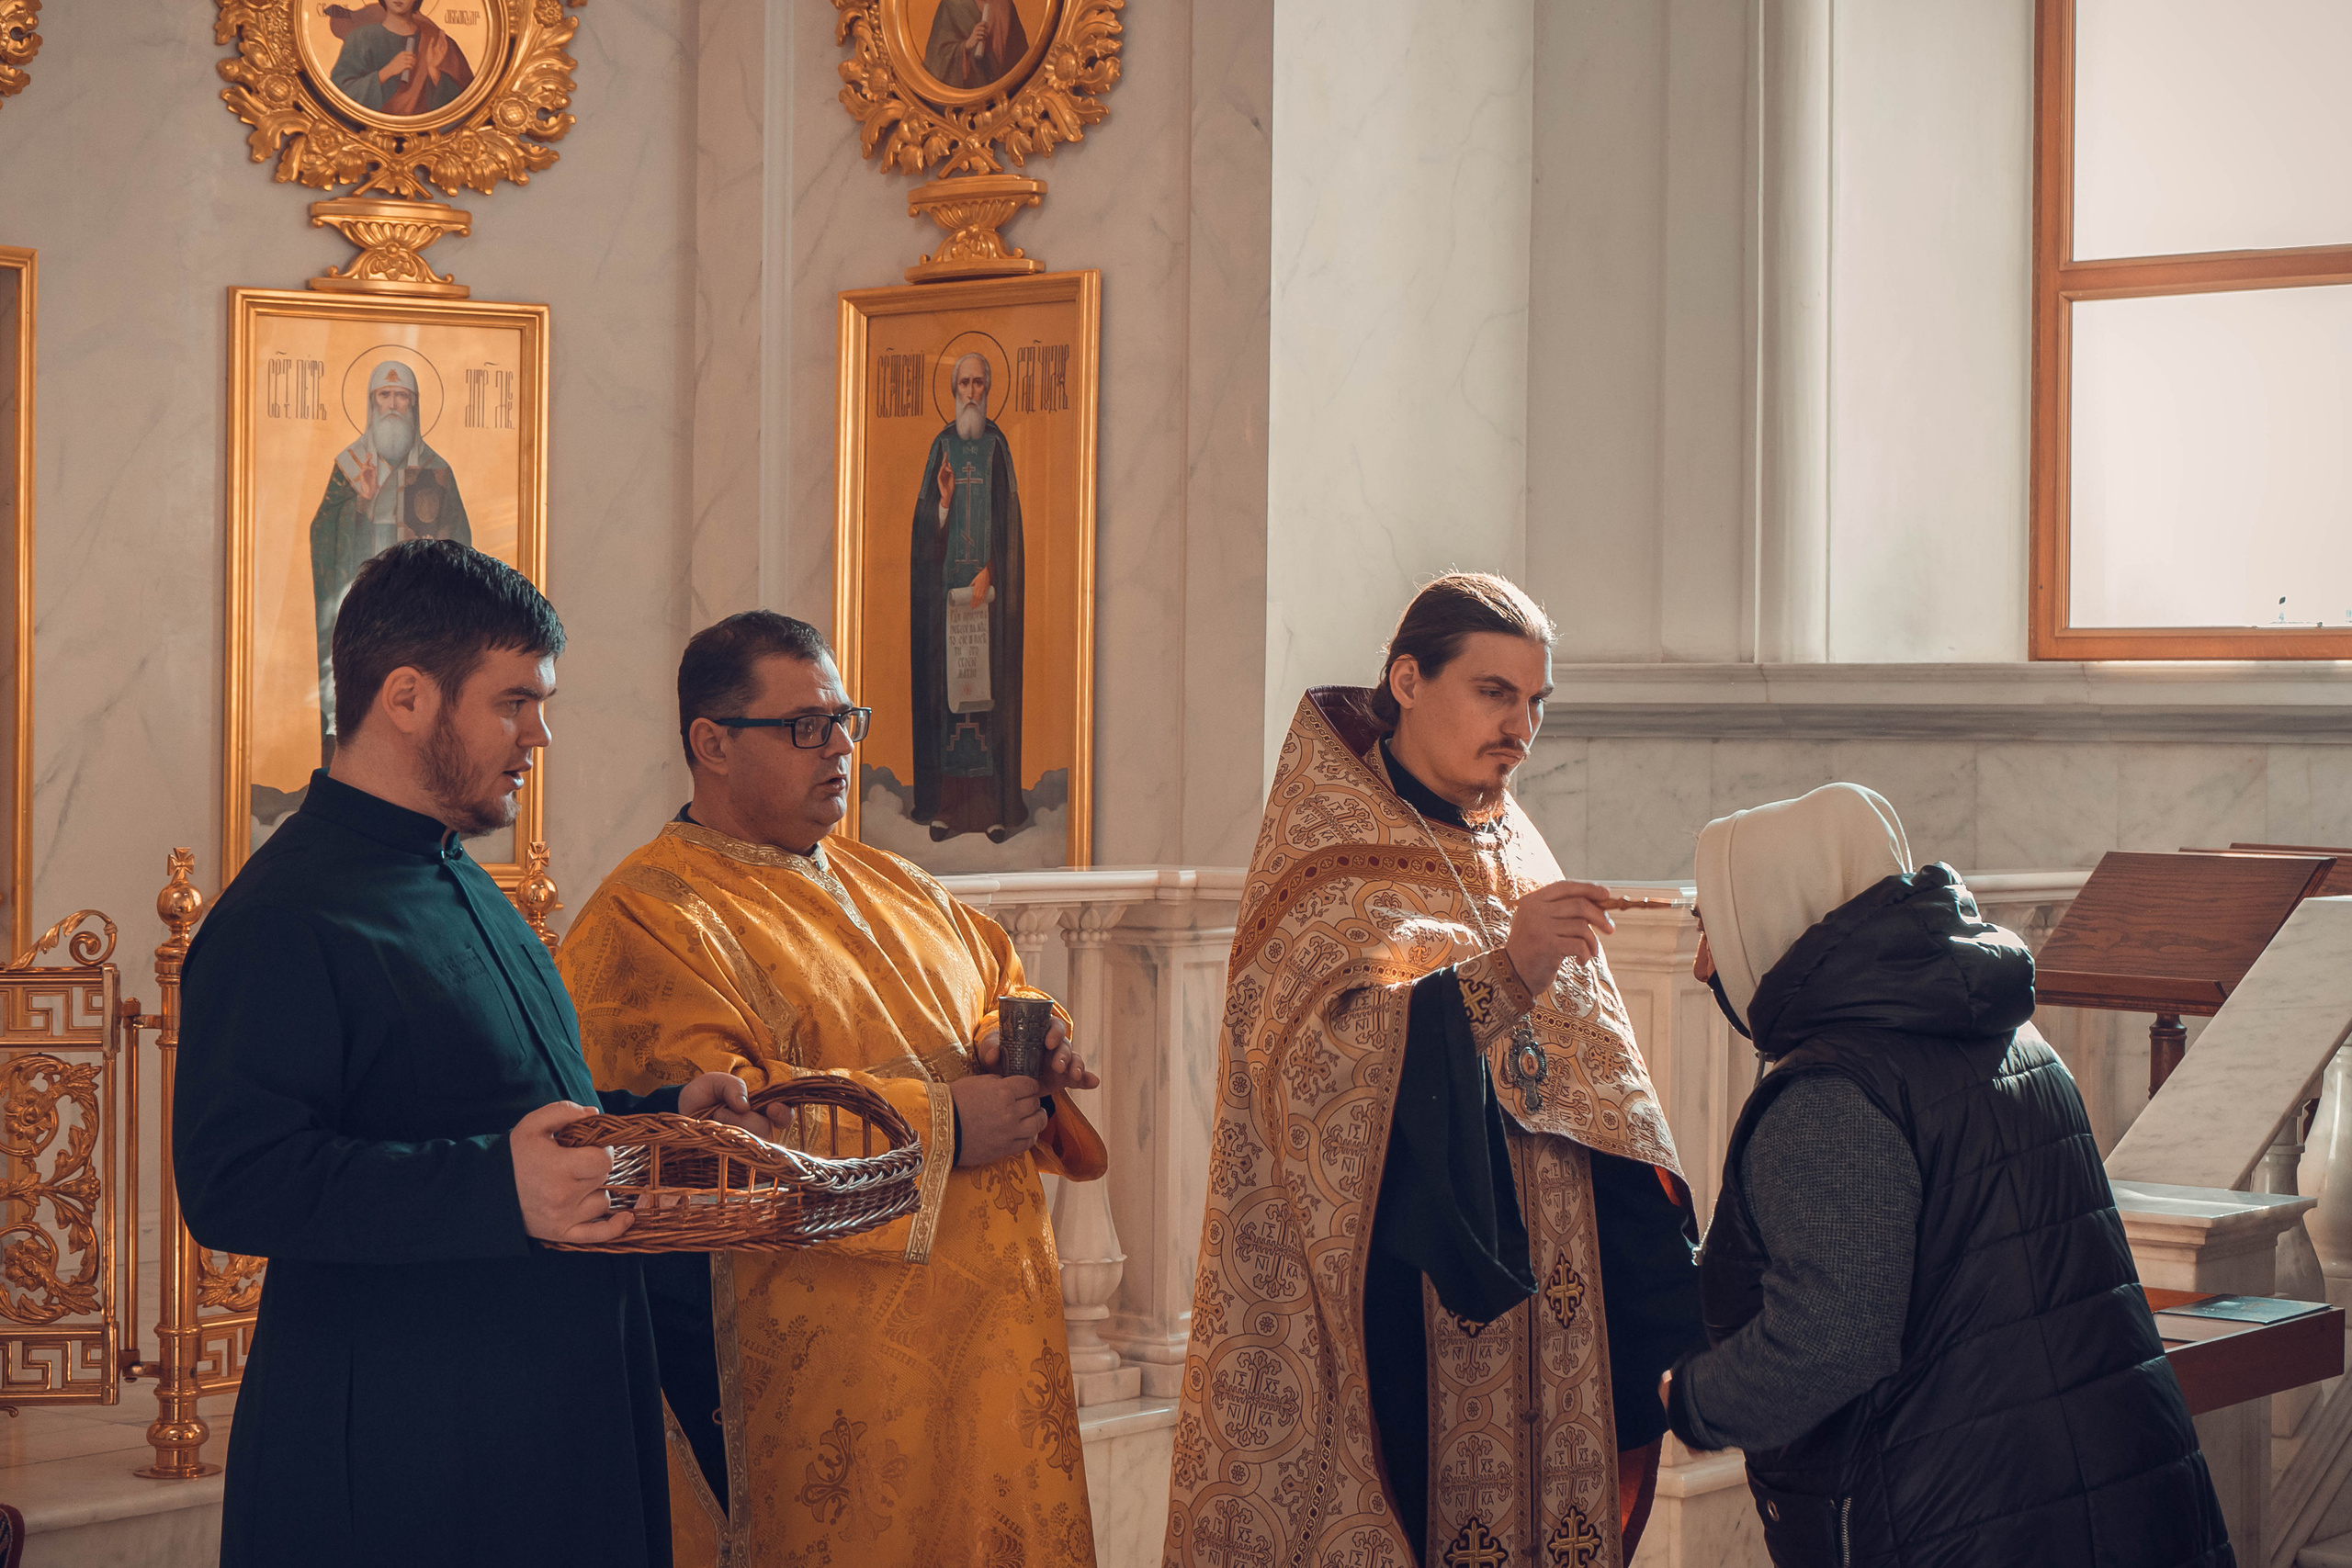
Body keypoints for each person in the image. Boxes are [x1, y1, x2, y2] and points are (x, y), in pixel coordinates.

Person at [176, 540, 771, 1567]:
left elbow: (494, 1106)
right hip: (408, 1455)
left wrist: (661, 1114)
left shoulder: (460, 877)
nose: (539, 733)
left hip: (545, 1427)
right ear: (407, 697)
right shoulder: (284, 913)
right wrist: (500, 1188)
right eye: (513, 703)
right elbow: (237, 1182)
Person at [1165, 573, 1703, 1568]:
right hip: (1410, 1295)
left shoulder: (1513, 838)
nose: (1521, 730)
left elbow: (1593, 1071)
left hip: (1557, 1299)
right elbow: (1314, 1074)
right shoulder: (1325, 850)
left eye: (1536, 702)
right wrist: (1501, 976)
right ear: (1407, 680)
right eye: (1495, 693)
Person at [557, 609, 1108, 1567]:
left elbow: (997, 983)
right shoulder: (644, 917)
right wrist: (942, 1124)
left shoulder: (896, 881)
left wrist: (1025, 1034)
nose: (841, 748)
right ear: (711, 743)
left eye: (845, 720)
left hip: (988, 1349)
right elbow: (714, 1132)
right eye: (806, 726)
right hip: (834, 1383)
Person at [1666, 783, 2233, 1567]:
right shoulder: (2012, 1037)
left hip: (1965, 1519)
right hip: (2120, 1486)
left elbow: (1833, 1340)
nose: (1703, 965)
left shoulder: (1834, 1091)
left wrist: (1692, 1398)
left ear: (1771, 914)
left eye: (1709, 926)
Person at [311, 359, 470, 762]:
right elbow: (323, 535)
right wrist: (361, 503)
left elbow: (462, 547)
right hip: (362, 601)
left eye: (403, 396)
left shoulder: (437, 471)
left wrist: (438, 554)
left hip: (419, 604)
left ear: (415, 405)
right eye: (386, 395)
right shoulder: (349, 468)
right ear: (372, 403)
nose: (394, 405)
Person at [910, 350, 1026, 842]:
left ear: (989, 390)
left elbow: (1009, 528)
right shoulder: (941, 447)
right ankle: (946, 810)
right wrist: (943, 502)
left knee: (987, 701)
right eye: (965, 384)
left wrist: (992, 570)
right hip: (946, 600)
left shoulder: (997, 447)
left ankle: (991, 812)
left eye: (979, 384)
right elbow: (923, 533)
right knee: (948, 700)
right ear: (954, 391)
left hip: (988, 602)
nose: (972, 393)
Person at [328, 0, 476, 117]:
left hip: (421, 133)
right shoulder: (360, 38)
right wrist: (385, 73)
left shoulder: (434, 41)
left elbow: (463, 104)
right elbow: (339, 94)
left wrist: (434, 71)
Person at [922, 0, 1031, 91]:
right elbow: (936, 59)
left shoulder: (1006, 5)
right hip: (971, 91)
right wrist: (967, 45)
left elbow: (1021, 54)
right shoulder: (952, 5)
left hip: (1007, 90)